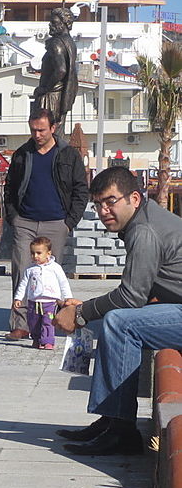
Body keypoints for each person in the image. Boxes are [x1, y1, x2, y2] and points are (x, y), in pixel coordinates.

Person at [54, 167, 182, 456]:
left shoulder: (144, 229)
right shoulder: (144, 220)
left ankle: (122, 430)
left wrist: (81, 313)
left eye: (110, 201)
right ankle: (112, 419)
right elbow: (147, 286)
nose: (103, 210)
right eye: (98, 203)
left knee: (119, 323)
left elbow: (130, 296)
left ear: (134, 198)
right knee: (116, 321)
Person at [2, 107, 88, 341]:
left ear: (53, 128)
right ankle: (21, 325)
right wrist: (14, 218)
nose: (37, 134)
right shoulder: (22, 154)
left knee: (51, 278)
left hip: (56, 223)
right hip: (25, 222)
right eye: (33, 130)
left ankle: (48, 325)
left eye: (41, 130)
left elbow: (81, 189)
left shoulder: (69, 155)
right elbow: (9, 188)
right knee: (22, 273)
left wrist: (69, 222)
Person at [12, 236, 73, 350]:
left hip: (50, 302)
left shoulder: (55, 268)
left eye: (39, 253)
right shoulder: (30, 269)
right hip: (33, 302)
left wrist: (68, 297)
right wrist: (18, 298)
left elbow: (63, 282)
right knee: (33, 322)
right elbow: (23, 284)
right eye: (33, 253)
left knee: (48, 322)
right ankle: (36, 339)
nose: (35, 256)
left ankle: (48, 341)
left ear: (48, 253)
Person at [32, 7, 78, 135]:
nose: (50, 25)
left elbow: (61, 70)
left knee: (44, 132)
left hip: (51, 96)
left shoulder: (56, 43)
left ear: (64, 24)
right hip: (61, 94)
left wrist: (44, 89)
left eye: (54, 22)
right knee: (56, 132)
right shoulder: (70, 42)